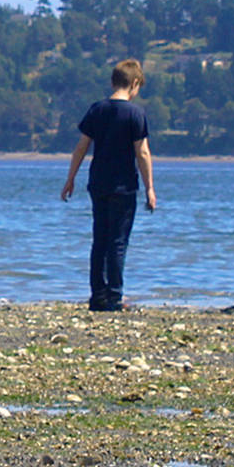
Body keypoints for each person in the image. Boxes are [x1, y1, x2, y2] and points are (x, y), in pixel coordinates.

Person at [60, 58, 158, 312]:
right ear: (134, 83)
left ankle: (97, 296)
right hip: (123, 185)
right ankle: (114, 296)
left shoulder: (97, 109)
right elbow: (143, 153)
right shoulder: (136, 114)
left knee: (100, 240)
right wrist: (149, 188)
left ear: (113, 81)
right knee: (118, 242)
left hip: (98, 183)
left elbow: (81, 147)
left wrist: (71, 178)